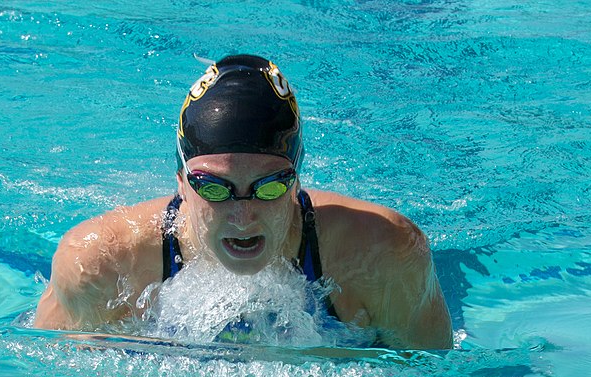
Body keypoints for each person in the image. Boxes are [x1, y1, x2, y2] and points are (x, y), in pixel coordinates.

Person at [34, 54, 452, 349]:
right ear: (180, 182)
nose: (242, 214)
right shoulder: (100, 263)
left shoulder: (385, 254)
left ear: (297, 181)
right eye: (213, 187)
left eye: (268, 186)